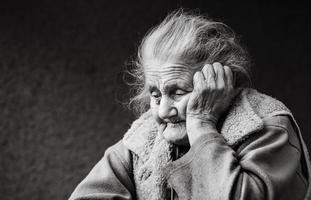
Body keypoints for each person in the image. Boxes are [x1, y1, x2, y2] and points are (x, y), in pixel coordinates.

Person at [69, 10, 311, 200]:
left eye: (178, 92)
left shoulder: (265, 125)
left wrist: (202, 125)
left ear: (217, 83)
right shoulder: (144, 138)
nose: (163, 110)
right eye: (155, 95)